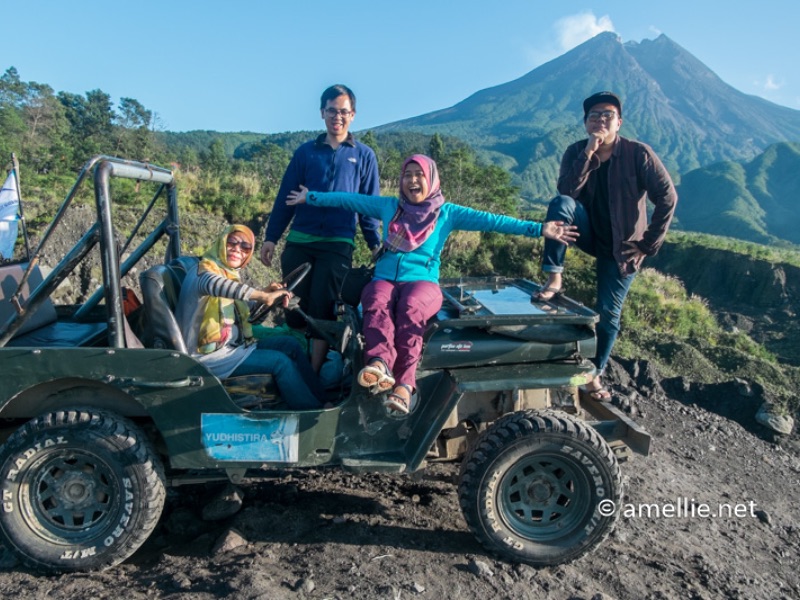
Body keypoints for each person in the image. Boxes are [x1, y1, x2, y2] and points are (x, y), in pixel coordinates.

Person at [286, 154, 578, 415]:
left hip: (423, 283)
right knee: (374, 297)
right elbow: (348, 199)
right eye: (407, 175)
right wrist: (311, 197)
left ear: (431, 179)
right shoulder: (390, 207)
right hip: (385, 278)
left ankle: (405, 385)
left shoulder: (447, 213)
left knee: (411, 306)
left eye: (419, 175)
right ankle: (379, 364)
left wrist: (539, 228)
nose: (413, 180)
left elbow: (493, 221)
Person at [536, 91, 678, 401]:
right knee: (561, 203)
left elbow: (667, 197)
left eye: (607, 115)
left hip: (623, 247)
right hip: (586, 232)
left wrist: (647, 244)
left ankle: (593, 375)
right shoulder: (575, 150)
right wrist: (589, 152)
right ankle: (554, 275)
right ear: (585, 122)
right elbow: (567, 191)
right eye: (594, 115)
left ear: (619, 122)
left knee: (608, 313)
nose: (601, 119)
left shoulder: (638, 154)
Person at [261, 84, 382, 373]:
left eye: (343, 111)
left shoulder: (364, 157)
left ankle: (313, 373)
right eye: (331, 111)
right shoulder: (306, 153)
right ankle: (295, 354)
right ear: (322, 113)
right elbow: (285, 198)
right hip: (301, 239)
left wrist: (375, 243)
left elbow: (368, 206)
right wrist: (271, 238)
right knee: (294, 305)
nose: (337, 117)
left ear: (352, 115)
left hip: (338, 242)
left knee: (324, 307)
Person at [176, 224, 325, 410]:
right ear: (222, 242)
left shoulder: (226, 274)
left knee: (290, 344)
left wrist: (266, 294)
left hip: (234, 347)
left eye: (245, 247)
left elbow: (241, 308)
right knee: (280, 362)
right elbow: (217, 286)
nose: (237, 249)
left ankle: (321, 399)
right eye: (232, 242)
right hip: (207, 357)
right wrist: (262, 296)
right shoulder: (204, 271)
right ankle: (310, 412)